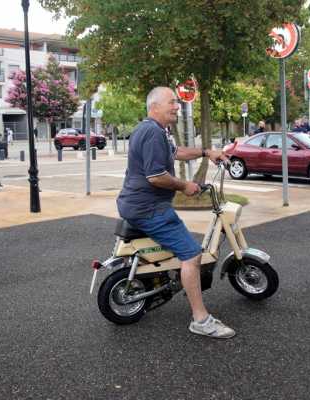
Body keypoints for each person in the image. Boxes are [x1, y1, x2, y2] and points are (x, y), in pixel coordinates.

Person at [117, 86, 235, 339]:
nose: (176, 107)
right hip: (149, 208)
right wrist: (186, 186)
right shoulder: (152, 132)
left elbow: (176, 153)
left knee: (179, 247)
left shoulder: (154, 130)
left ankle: (159, 281)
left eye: (177, 103)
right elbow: (156, 177)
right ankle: (201, 320)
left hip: (137, 204)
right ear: (154, 106)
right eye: (171, 102)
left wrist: (207, 152)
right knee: (191, 255)